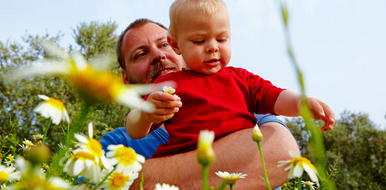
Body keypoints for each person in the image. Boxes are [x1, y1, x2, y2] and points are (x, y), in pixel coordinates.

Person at [123, 0, 335, 186]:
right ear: (176, 45)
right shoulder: (170, 84)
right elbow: (135, 129)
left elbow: (274, 96)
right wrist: (146, 113)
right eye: (199, 40)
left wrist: (300, 103)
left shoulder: (241, 78)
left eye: (221, 38)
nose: (213, 46)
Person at [100, 17, 310, 189]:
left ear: (177, 47)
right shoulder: (117, 142)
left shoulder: (238, 102)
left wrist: (139, 177)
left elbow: (282, 153)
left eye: (164, 44)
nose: (158, 55)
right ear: (125, 79)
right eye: (141, 54)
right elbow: (100, 183)